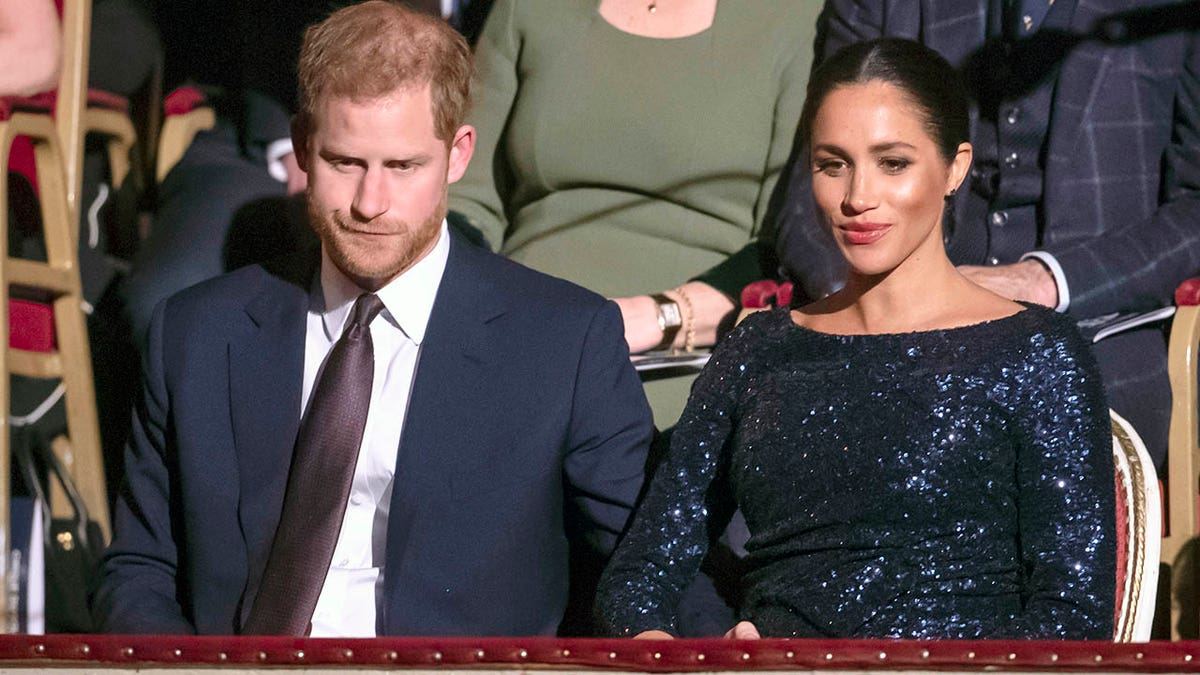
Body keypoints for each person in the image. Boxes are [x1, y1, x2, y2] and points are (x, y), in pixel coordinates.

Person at [92, 0, 652, 636]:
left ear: (458, 154)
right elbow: (138, 569)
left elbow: (647, 564)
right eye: (345, 162)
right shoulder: (196, 334)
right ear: (304, 148)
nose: (370, 203)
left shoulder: (563, 343)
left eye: (403, 166)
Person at [596, 38, 1116, 640]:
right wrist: (672, 650)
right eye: (832, 164)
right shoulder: (759, 349)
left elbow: (1071, 617)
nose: (857, 198)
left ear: (955, 168)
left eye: (893, 163)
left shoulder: (1037, 353)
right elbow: (639, 574)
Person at [673, 0, 1200, 469]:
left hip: (1092, 336)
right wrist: (888, 313)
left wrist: (1043, 281)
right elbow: (814, 190)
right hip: (879, 334)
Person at [447, 0, 819, 426]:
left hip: (689, 356)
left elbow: (791, 242)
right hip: (517, 329)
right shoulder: (528, 9)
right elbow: (466, 197)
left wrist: (656, 318)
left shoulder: (797, 20)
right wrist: (474, 306)